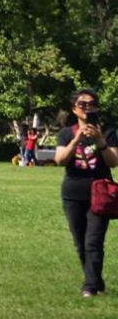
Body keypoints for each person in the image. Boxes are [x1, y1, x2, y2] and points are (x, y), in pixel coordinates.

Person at [56, 89, 118, 297]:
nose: (87, 108)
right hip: (73, 194)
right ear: (74, 109)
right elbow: (60, 160)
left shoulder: (107, 132)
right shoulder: (66, 133)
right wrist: (76, 140)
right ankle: (95, 281)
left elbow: (114, 161)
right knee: (80, 242)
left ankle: (89, 287)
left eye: (92, 104)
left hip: (100, 193)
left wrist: (100, 140)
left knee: (93, 241)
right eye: (82, 104)